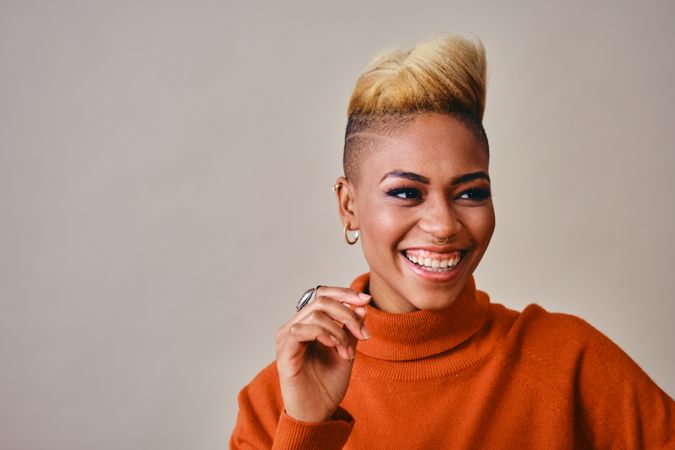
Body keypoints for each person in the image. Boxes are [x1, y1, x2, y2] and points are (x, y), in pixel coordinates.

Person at [229, 34, 674, 449]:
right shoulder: (274, 400)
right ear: (348, 205)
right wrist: (305, 428)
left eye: (470, 193)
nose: (443, 225)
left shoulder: (569, 361)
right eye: (406, 193)